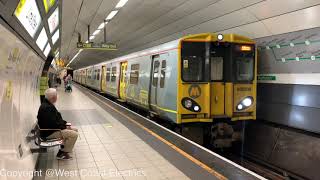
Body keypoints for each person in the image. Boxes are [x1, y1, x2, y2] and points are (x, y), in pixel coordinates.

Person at [37, 88, 78, 160]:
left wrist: (65, 124)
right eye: (56, 95)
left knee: (75, 129)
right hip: (49, 132)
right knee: (74, 134)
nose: (57, 97)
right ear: (53, 97)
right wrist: (64, 127)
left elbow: (56, 120)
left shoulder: (47, 104)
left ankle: (64, 147)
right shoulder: (47, 108)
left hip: (50, 130)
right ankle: (62, 153)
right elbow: (54, 124)